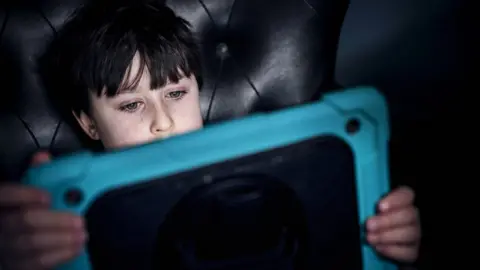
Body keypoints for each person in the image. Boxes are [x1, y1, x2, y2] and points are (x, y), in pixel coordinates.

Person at [0, 1, 421, 269]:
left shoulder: (258, 176)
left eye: (176, 93)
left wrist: (383, 239)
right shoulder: (61, 220)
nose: (162, 121)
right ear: (89, 122)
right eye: (131, 104)